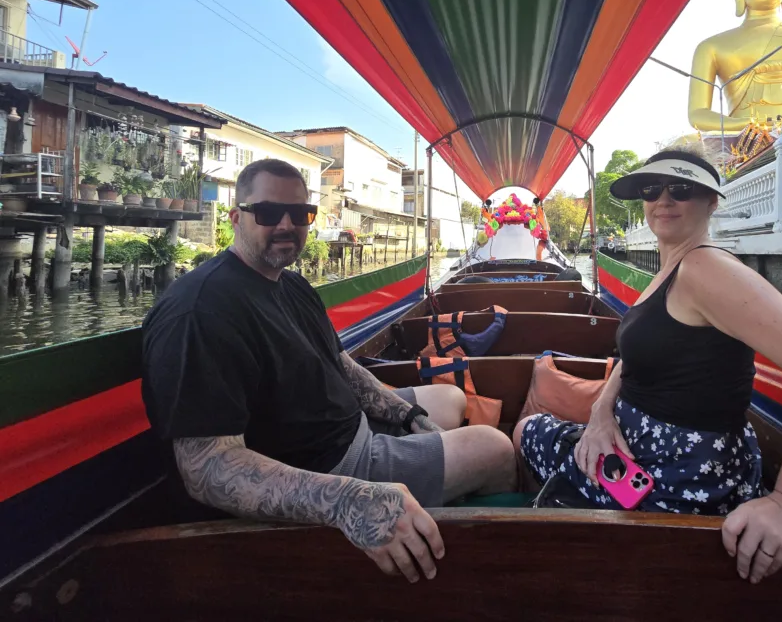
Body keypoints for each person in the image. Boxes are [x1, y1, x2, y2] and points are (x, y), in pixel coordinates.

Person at [142, 159, 516, 584]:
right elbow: (207, 469)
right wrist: (346, 500)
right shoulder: (202, 313)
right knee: (496, 447)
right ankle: (487, 565)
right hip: (328, 468)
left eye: (301, 214)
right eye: (268, 213)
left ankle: (434, 492)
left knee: (450, 397)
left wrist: (402, 414)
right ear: (235, 218)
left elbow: (338, 363)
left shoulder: (291, 284)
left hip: (350, 428)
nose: (286, 224)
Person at [514, 145, 782, 585]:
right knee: (537, 431)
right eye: (651, 189)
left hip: (677, 472)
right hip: (633, 445)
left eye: (681, 189)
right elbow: (632, 359)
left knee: (527, 430)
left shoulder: (705, 268)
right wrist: (601, 413)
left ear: (711, 201)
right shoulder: (672, 268)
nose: (663, 200)